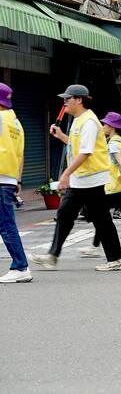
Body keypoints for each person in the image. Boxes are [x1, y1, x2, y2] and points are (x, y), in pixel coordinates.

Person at [31, 85, 121, 272]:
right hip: (82, 179)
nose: (64, 101)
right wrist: (61, 137)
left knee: (91, 218)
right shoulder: (78, 120)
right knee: (72, 215)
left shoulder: (89, 122)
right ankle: (53, 255)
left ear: (79, 100)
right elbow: (78, 145)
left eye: (68, 98)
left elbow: (86, 152)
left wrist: (66, 174)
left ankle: (115, 259)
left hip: (90, 179)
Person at [78, 112, 121, 258]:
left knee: (101, 217)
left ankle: (95, 247)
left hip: (113, 187)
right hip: (120, 186)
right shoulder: (118, 140)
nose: (103, 126)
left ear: (112, 127)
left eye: (105, 124)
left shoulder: (114, 143)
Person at [0, 83, 32, 283]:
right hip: (9, 179)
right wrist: (17, 180)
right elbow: (20, 155)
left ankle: (20, 266)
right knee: (6, 224)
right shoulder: (16, 123)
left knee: (6, 225)